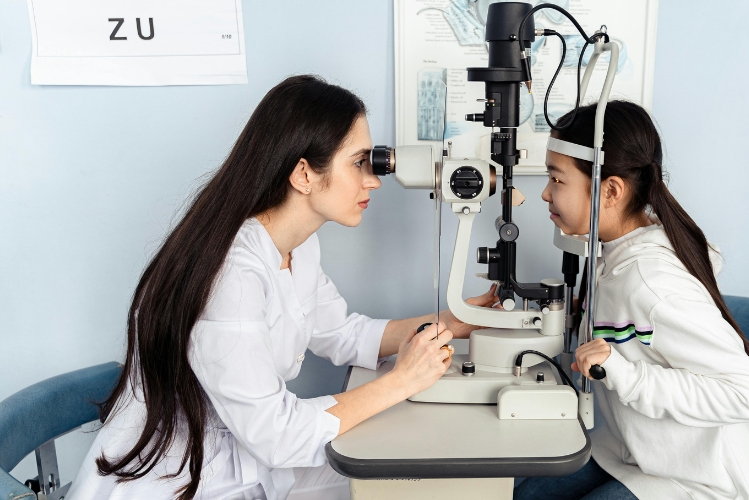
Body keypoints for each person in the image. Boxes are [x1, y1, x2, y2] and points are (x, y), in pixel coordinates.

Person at [67, 75, 497, 500]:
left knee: (413, 478)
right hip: (179, 481)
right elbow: (277, 435)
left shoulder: (299, 246)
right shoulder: (231, 275)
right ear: (304, 175)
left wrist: (457, 321)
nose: (373, 180)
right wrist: (402, 381)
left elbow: (343, 333)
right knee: (401, 483)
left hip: (244, 461)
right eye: (358, 163)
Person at [515, 101, 749, 500]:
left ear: (611, 190)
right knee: (520, 494)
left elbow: (746, 394)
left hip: (700, 480)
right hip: (633, 454)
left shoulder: (650, 282)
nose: (545, 193)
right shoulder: (610, 258)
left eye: (557, 179)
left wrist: (626, 375)